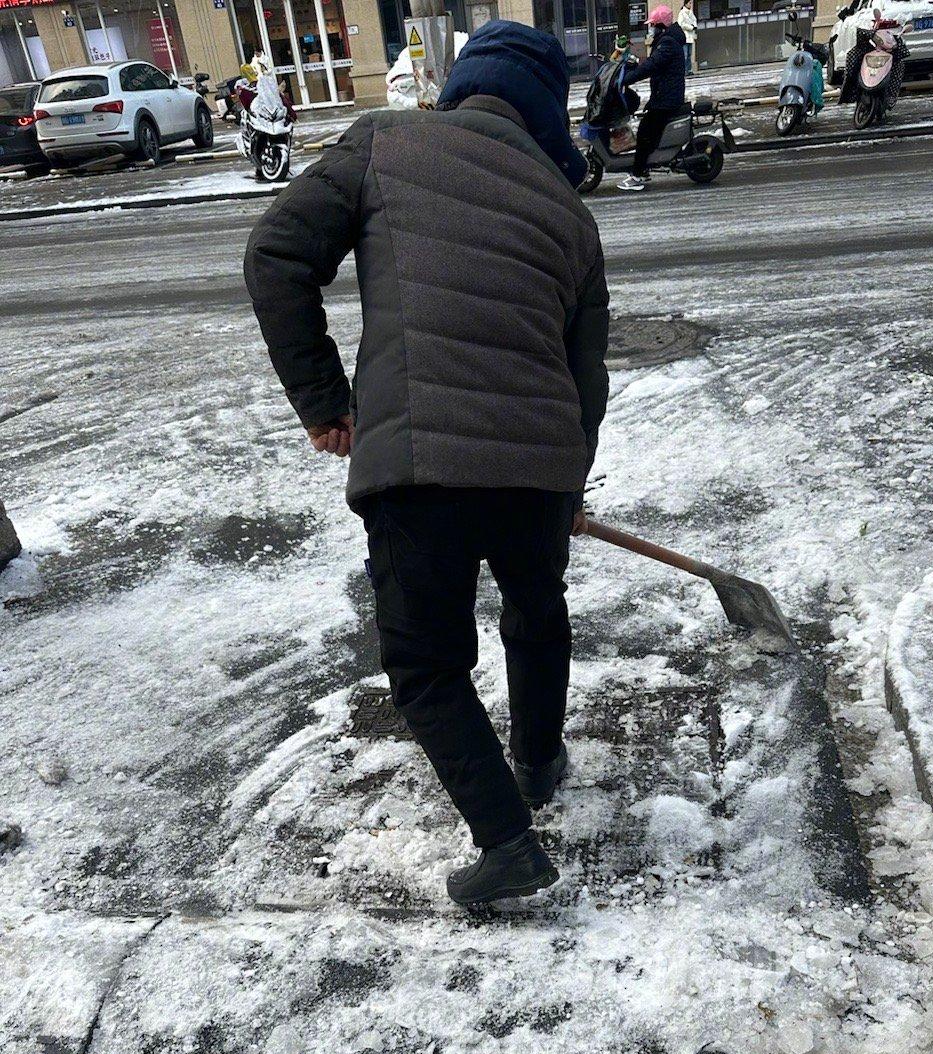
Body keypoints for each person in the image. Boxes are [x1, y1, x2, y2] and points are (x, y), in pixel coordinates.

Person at [244, 21, 609, 907]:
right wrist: (567, 486)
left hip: (422, 465)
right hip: (539, 466)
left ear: (460, 86)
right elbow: (586, 375)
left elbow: (276, 254)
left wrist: (324, 402)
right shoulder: (571, 212)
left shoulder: (387, 141)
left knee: (428, 664)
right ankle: (539, 761)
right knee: (536, 612)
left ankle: (508, 844)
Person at [617, 6, 687, 192]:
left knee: (644, 133)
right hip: (664, 96)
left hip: (666, 100)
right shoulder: (667, 41)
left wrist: (626, 79)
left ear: (661, 26)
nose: (650, 29)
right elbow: (650, 64)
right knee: (649, 132)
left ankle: (637, 175)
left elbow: (651, 66)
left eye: (653, 25)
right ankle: (645, 168)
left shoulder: (667, 44)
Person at [677, 0, 698, 75]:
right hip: (685, 36)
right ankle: (684, 70)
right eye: (689, 3)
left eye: (691, 3)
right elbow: (681, 24)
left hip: (690, 36)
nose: (690, 5)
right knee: (685, 55)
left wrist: (694, 26)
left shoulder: (691, 12)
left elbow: (694, 20)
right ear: (686, 4)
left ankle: (689, 70)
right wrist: (690, 27)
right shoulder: (682, 13)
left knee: (689, 55)